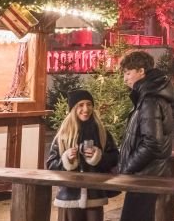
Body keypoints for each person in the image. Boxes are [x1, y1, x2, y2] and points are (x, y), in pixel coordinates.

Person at [117, 51, 174, 221]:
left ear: (141, 71)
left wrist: (128, 166)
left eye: (128, 73)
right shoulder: (149, 96)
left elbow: (152, 143)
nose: (125, 78)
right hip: (146, 174)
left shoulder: (150, 100)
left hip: (144, 175)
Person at [46, 89, 119, 221]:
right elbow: (51, 165)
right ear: (73, 108)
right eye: (80, 105)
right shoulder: (63, 134)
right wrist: (66, 160)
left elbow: (115, 158)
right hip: (68, 197)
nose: (86, 109)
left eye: (89, 104)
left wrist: (99, 157)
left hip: (95, 196)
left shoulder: (102, 132)